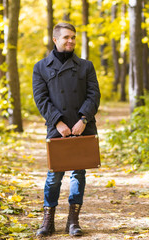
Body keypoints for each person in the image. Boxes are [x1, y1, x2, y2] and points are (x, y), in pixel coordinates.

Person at [32, 22, 101, 237]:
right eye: (66, 37)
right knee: (54, 176)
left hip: (83, 126)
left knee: (78, 175)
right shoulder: (41, 67)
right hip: (57, 128)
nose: (70, 41)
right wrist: (58, 122)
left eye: (73, 37)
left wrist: (83, 119)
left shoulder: (86, 66)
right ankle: (48, 220)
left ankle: (73, 220)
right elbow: (40, 99)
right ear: (55, 40)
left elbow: (94, 95)